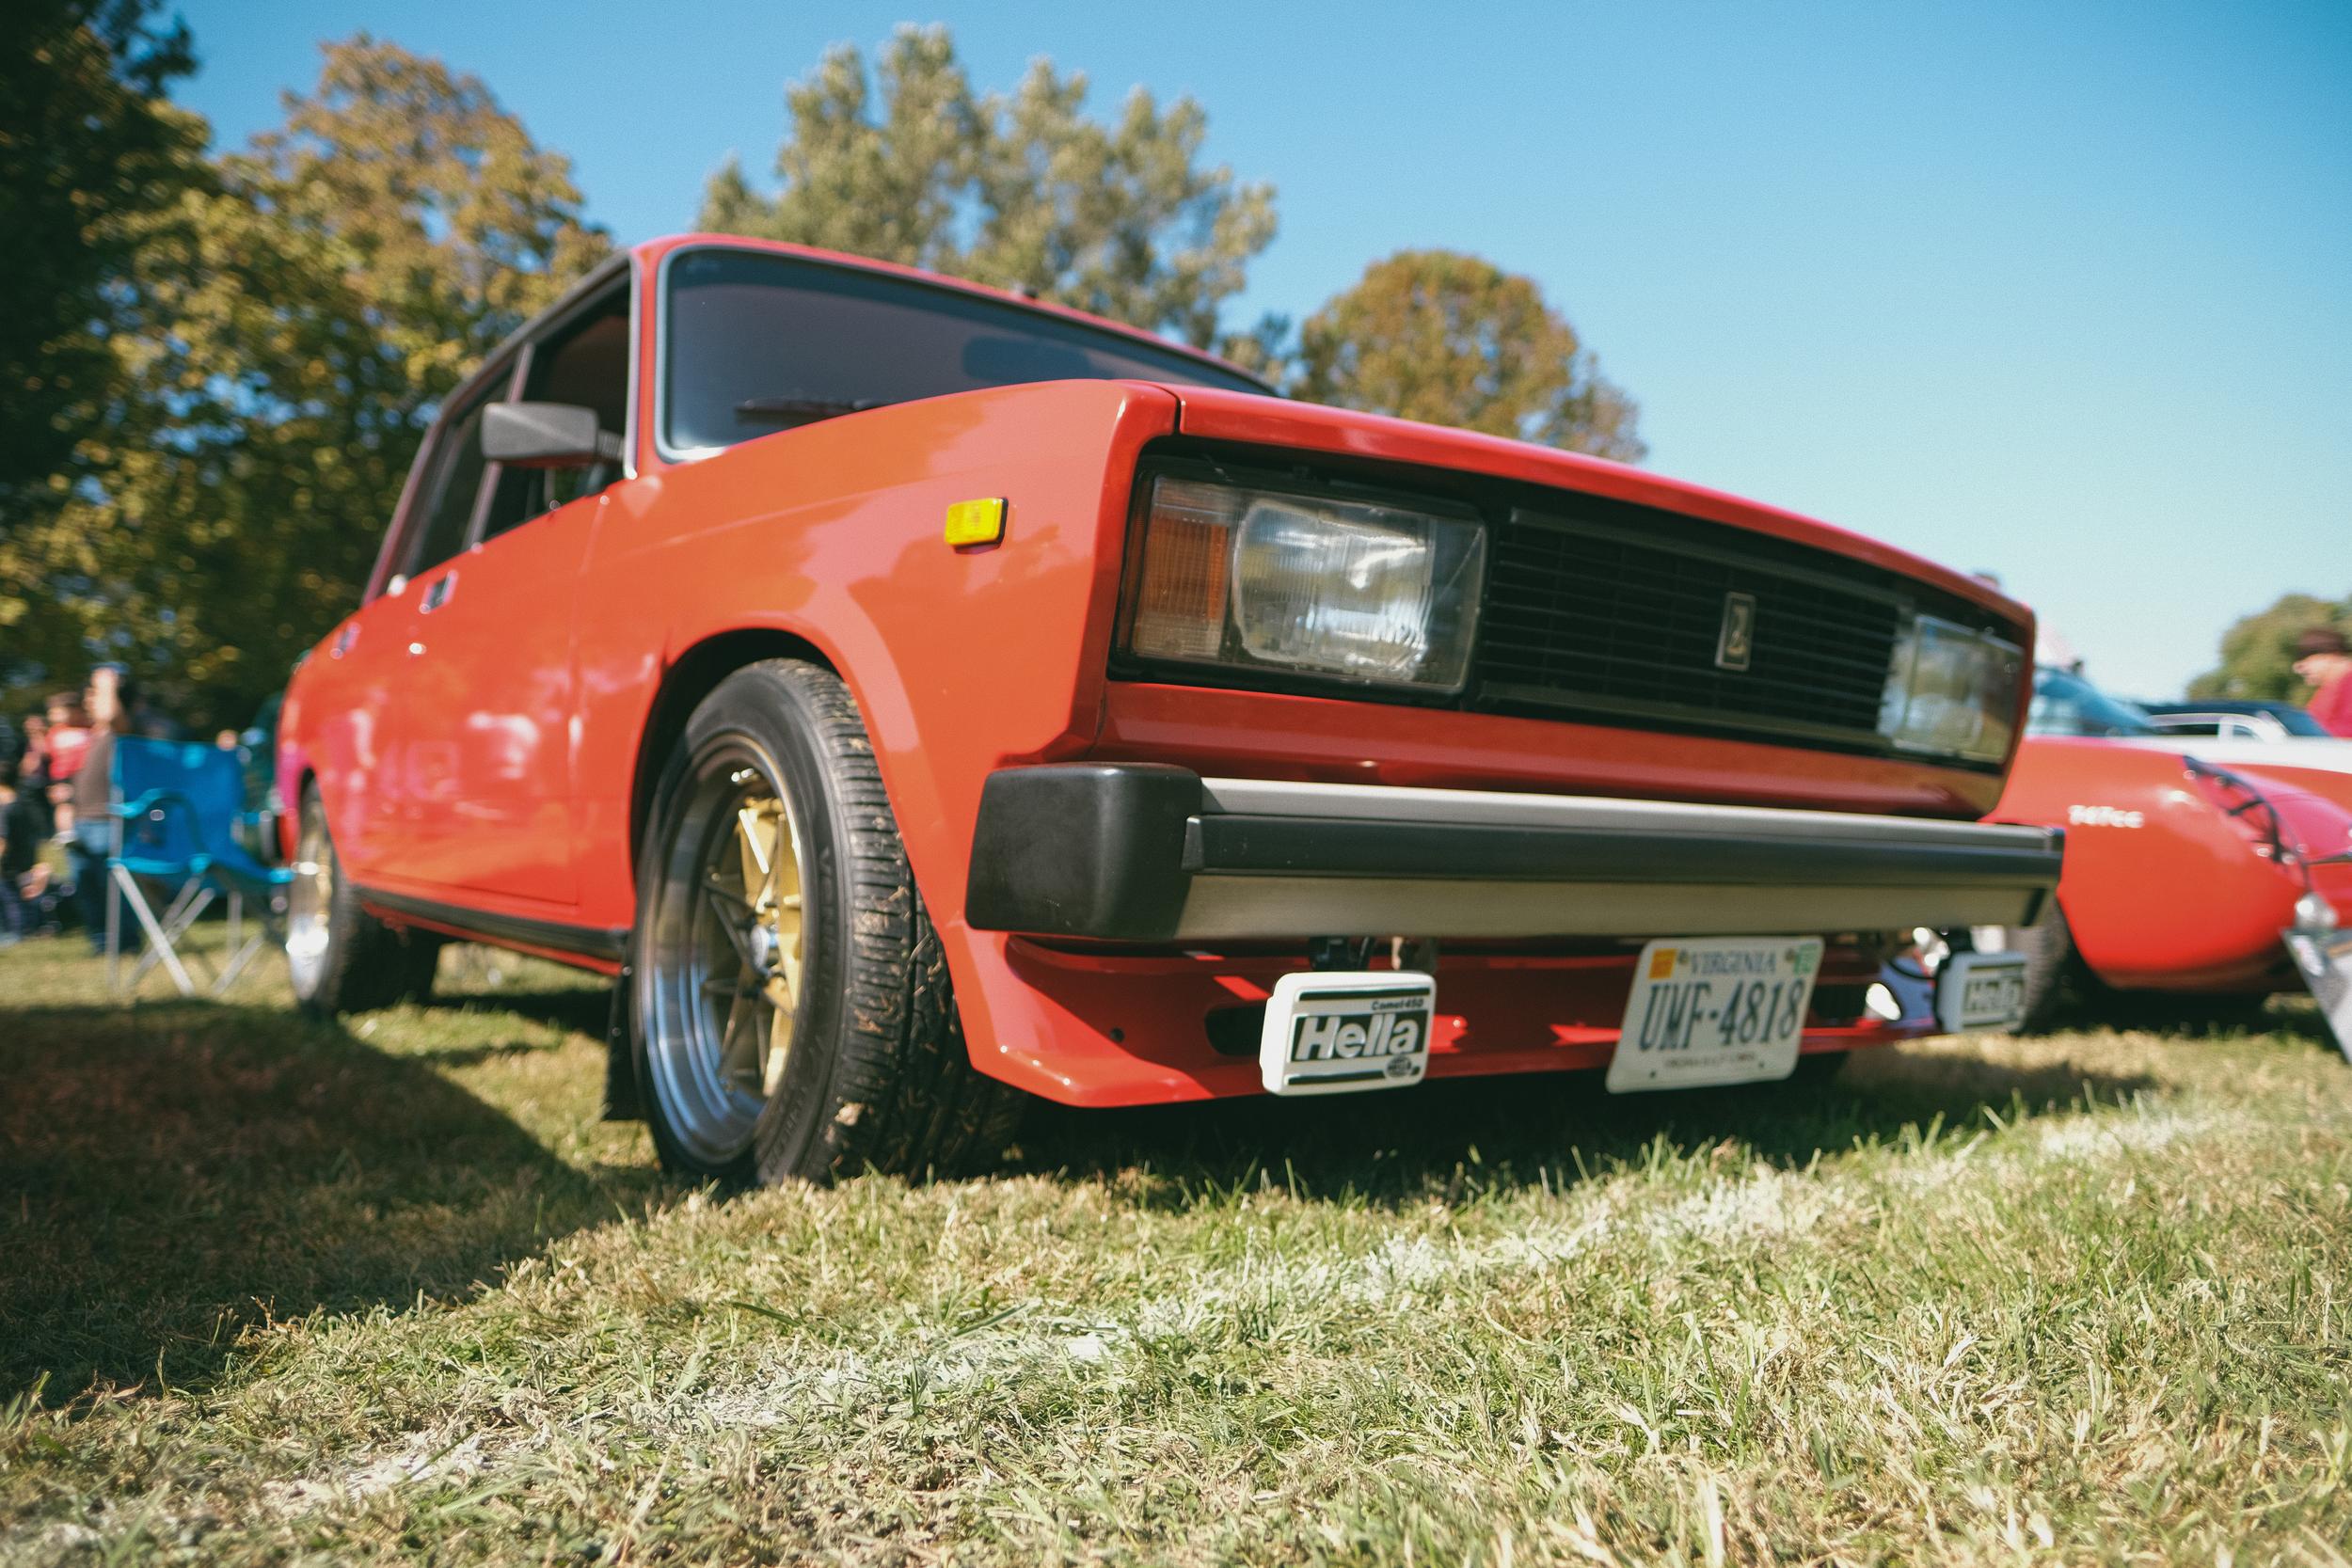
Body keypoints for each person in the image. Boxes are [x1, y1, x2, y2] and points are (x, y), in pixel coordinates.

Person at [67, 665, 137, 955]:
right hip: (84, 821)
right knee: (87, 886)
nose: (87, 702)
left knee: (112, 888)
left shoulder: (122, 728)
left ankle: (125, 942)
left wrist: (105, 681)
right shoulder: (95, 735)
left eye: (92, 696)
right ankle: (100, 942)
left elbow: (111, 716)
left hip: (107, 821)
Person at [2296, 626, 2352, 739]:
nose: (2300, 668)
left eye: (2309, 660)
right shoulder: (2329, 688)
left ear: (2331, 655)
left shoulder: (2349, 684)